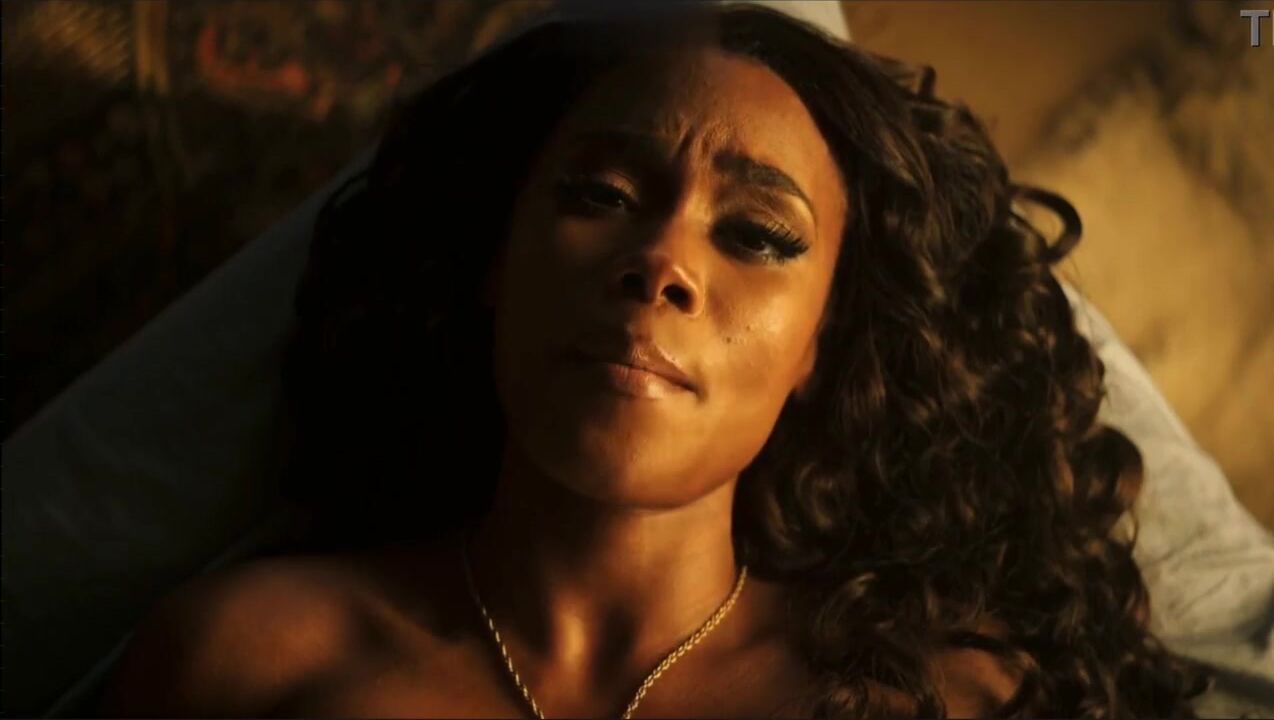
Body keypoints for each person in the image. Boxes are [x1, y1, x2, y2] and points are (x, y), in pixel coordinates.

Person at [99, 5, 1211, 718]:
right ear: (495, 262)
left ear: (820, 345)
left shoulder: (937, 701)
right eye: (601, 195)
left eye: (757, 234)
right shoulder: (244, 663)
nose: (662, 262)